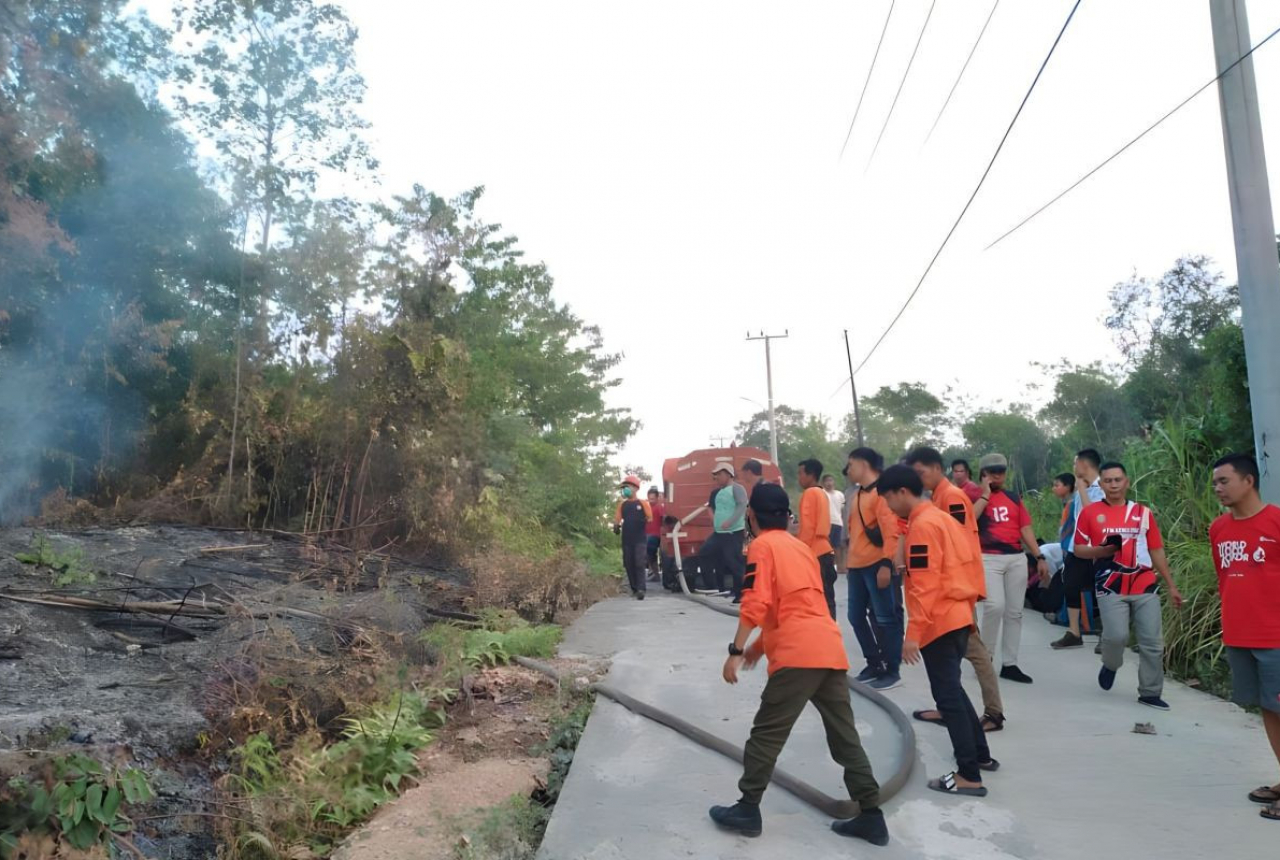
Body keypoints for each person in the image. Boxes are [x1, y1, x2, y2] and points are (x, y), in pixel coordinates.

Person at [709, 483, 889, 846]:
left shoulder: (761, 546)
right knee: (845, 737)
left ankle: (747, 807)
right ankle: (872, 815)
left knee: (766, 735)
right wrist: (759, 648)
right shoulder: (802, 550)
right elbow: (799, 606)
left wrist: (735, 649)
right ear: (786, 516)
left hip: (797, 656)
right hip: (828, 649)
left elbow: (756, 601)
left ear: (751, 515)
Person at [879, 464, 997, 796]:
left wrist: (913, 633)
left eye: (888, 499)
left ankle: (969, 775)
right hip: (956, 615)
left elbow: (925, 585)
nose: (888, 507)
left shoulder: (925, 526)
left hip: (939, 621)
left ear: (902, 492)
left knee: (948, 698)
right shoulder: (939, 518)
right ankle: (981, 756)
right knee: (954, 692)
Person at [904, 447, 1006, 732]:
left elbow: (957, 543)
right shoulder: (937, 497)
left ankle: (994, 712)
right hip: (952, 586)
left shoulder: (951, 497)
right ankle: (948, 706)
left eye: (921, 472)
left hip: (957, 587)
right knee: (953, 654)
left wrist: (965, 589)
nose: (918, 479)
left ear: (937, 468)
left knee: (974, 650)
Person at [1074, 461, 1184, 709]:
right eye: (1108, 481)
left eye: (1118, 480)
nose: (1113, 485)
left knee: (1152, 642)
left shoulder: (1143, 513)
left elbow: (1156, 549)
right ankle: (1111, 664)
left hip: (1145, 584)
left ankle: (1150, 692)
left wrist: (1171, 585)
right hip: (1110, 584)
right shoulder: (1089, 513)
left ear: (1127, 482)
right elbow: (1079, 549)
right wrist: (1100, 550)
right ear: (1101, 484)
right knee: (1116, 636)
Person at [1209, 453, 1280, 821]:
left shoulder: (1276, 521)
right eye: (1215, 483)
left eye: (1224, 481)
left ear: (1248, 481)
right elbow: (1225, 578)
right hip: (1240, 632)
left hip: (1276, 635)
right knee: (1268, 708)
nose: (1218, 488)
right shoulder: (1218, 529)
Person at [972, 453, 1049, 684]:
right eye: (992, 471)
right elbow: (968, 522)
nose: (998, 475)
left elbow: (1024, 528)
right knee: (995, 606)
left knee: (1014, 612)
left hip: (1015, 558)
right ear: (983, 474)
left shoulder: (1013, 498)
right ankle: (985, 659)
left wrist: (1039, 556)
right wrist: (985, 495)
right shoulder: (973, 497)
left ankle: (1010, 664)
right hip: (988, 558)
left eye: (1001, 471)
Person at [844, 447, 904, 691]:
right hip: (856, 566)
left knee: (886, 618)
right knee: (855, 616)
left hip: (876, 565)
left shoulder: (882, 493)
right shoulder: (857, 494)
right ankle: (874, 663)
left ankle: (892, 670)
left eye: (851, 464)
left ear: (864, 463)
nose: (848, 470)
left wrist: (885, 565)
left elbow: (892, 531)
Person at [1052, 449, 1106, 649]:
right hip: (1078, 547)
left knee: (1102, 589)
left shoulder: (1103, 486)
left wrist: (1082, 489)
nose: (1074, 468)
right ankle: (1074, 632)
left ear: (1084, 464)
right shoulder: (1079, 489)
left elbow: (1093, 515)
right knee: (1070, 586)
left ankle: (1107, 635)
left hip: (1097, 548)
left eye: (1076, 463)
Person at [797, 458, 838, 619]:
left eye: (801, 473)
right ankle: (832, 635)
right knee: (828, 599)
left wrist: (800, 553)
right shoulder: (822, 493)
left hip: (814, 553)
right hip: (825, 550)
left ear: (811, 475)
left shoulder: (809, 493)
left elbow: (807, 527)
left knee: (818, 600)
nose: (799, 477)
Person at [704, 462, 749, 602]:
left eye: (719, 474)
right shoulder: (718, 492)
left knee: (734, 562)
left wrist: (730, 521)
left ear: (728, 474)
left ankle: (740, 594)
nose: (716, 477)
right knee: (705, 552)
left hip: (732, 532)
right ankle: (713, 587)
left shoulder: (737, 488)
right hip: (719, 533)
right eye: (715, 475)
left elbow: (742, 506)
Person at [614, 475, 653, 599]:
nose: (626, 489)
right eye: (624, 487)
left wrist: (643, 521)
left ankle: (641, 588)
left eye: (628, 486)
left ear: (636, 488)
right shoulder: (622, 505)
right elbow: (617, 519)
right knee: (628, 563)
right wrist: (616, 526)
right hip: (627, 539)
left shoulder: (643, 503)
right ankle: (634, 588)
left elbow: (650, 518)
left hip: (640, 538)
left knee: (639, 562)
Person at [823, 474, 846, 568]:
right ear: (823, 483)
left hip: (838, 522)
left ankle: (839, 566)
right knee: (827, 546)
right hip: (826, 523)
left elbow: (843, 508)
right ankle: (829, 565)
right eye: (827, 481)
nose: (829, 483)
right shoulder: (822, 493)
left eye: (831, 480)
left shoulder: (840, 494)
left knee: (837, 545)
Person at [644, 487, 666, 581]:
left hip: (655, 534)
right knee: (645, 550)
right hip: (646, 534)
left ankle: (654, 572)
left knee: (649, 548)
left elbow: (664, 518)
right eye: (649, 498)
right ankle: (654, 573)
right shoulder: (646, 507)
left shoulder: (659, 507)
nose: (651, 500)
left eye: (653, 499)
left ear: (657, 498)